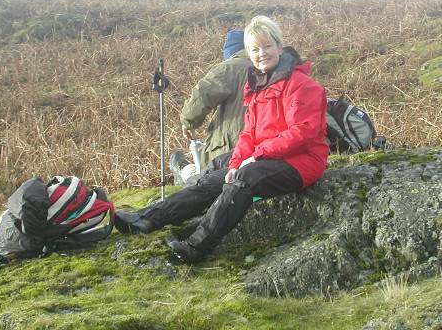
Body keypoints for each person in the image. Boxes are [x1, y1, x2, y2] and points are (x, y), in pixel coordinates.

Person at [114, 15, 329, 263]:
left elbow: (302, 132)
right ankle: (147, 218)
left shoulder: (302, 85)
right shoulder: (257, 85)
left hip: (300, 162)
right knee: (215, 178)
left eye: (267, 46)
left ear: (280, 47)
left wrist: (254, 158)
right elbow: (248, 134)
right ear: (248, 53)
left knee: (245, 178)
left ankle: (196, 246)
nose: (262, 53)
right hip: (266, 157)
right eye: (255, 49)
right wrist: (237, 161)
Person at [171, 29, 252, 185]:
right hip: (255, 148)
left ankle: (184, 171)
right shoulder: (268, 65)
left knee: (203, 174)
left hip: (231, 150)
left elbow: (203, 93)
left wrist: (188, 122)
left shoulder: (233, 66)